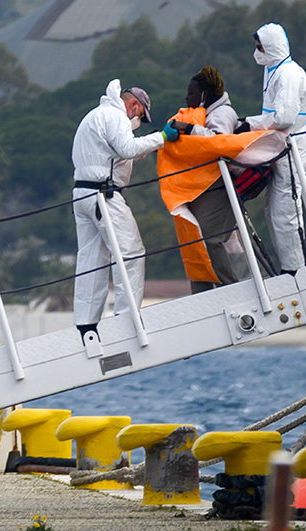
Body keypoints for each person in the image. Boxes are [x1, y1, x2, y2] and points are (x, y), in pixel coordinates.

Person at [72, 79, 181, 339]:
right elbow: (127, 148)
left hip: (82, 195)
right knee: (131, 252)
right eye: (140, 116)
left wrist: (154, 142)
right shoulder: (117, 116)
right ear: (134, 105)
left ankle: (86, 325)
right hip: (104, 194)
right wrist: (162, 137)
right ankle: (126, 316)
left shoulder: (95, 115)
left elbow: (121, 153)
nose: (138, 122)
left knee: (92, 260)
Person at [236, 22, 306, 275]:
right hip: (279, 145)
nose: (257, 52)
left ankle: (296, 270)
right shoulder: (274, 69)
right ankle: (288, 265)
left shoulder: (289, 75)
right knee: (273, 209)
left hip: (292, 146)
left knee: (286, 209)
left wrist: (250, 125)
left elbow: (284, 118)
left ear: (271, 48)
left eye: (260, 47)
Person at [177, 66, 241, 293]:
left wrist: (189, 130)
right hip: (202, 187)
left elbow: (219, 142)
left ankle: (229, 288)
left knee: (209, 239)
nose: (187, 98)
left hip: (219, 186)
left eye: (191, 93)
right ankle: (202, 295)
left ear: (205, 94)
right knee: (194, 240)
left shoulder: (222, 114)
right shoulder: (205, 114)